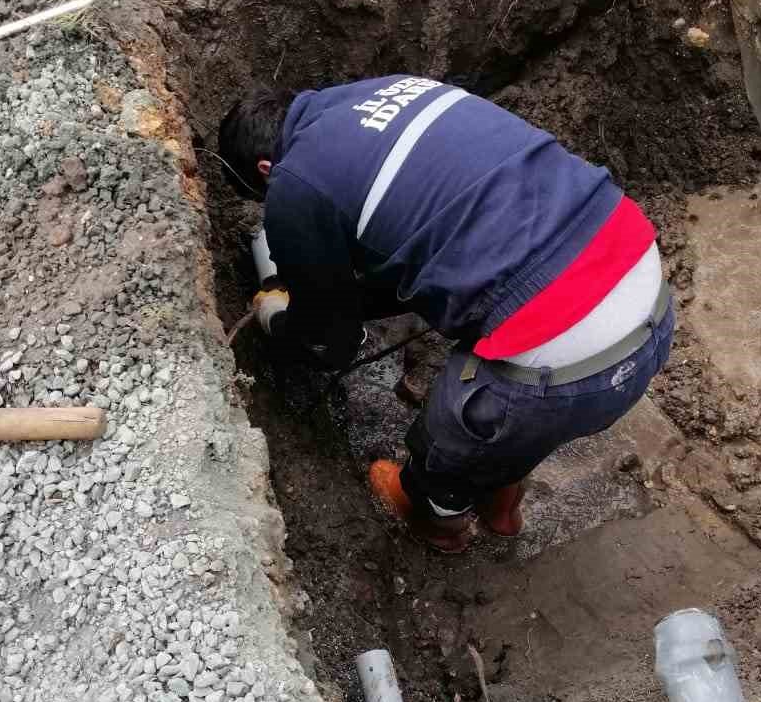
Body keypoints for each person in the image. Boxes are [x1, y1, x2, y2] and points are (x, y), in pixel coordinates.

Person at [217, 74, 674, 554]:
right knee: (530, 397)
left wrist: (280, 316)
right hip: (647, 297)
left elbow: (332, 344)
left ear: (267, 170)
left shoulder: (295, 181)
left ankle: (439, 519)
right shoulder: (395, 87)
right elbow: (422, 235)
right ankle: (503, 509)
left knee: (451, 436)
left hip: (564, 364)